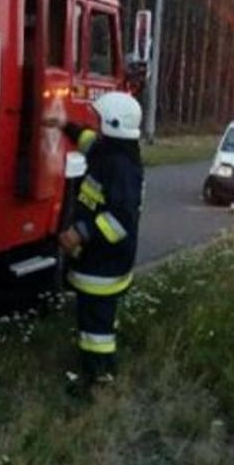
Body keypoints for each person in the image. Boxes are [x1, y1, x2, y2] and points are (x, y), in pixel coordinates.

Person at [52, 92, 144, 393]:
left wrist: (81, 232)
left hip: (104, 265)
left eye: (100, 120)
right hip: (97, 261)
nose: (95, 124)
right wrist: (64, 125)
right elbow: (87, 139)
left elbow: (120, 220)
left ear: (113, 125)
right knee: (97, 321)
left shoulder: (120, 167)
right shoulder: (109, 150)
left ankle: (98, 379)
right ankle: (99, 370)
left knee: (96, 328)